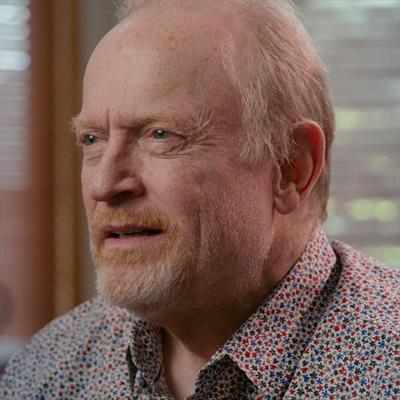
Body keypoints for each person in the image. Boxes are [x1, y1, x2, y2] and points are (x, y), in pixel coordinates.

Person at [1, 0, 399, 399]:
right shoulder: (49, 368)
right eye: (92, 139)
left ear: (290, 167)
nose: (103, 185)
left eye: (160, 135)